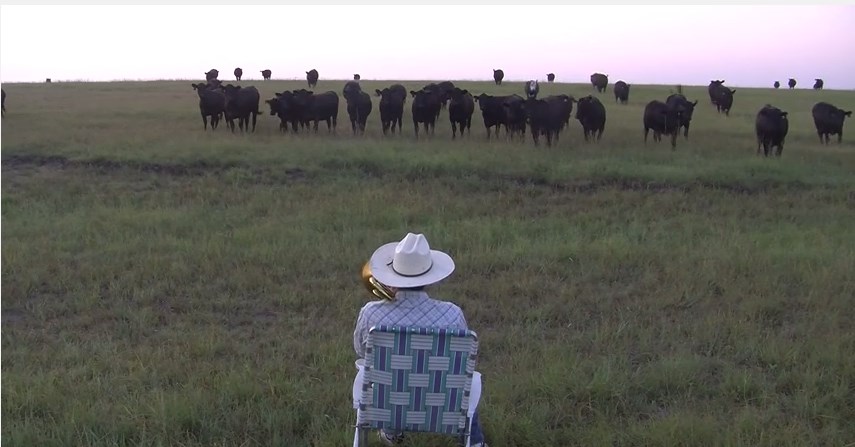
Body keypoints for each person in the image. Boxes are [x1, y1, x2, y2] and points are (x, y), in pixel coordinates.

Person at [353, 232, 487, 447]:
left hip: (388, 405)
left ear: (393, 276)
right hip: (441, 406)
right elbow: (463, 364)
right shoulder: (452, 314)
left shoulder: (371, 314)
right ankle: (476, 442)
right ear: (428, 277)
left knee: (389, 374)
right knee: (467, 381)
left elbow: (361, 351)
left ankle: (391, 431)